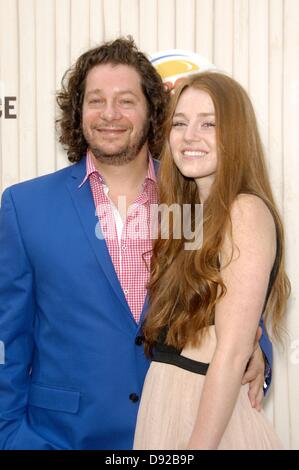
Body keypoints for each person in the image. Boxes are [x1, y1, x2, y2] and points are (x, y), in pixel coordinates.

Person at [0, 38, 270, 450]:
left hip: (180, 430)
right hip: (61, 440)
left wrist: (259, 351)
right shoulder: (25, 206)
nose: (110, 114)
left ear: (152, 113)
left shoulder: (194, 202)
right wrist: (12, 437)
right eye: (95, 100)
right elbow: (9, 338)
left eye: (126, 100)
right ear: (79, 111)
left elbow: (233, 300)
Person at [133, 71, 290, 450]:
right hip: (168, 409)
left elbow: (233, 351)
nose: (189, 137)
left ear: (235, 134)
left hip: (203, 423)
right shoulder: (191, 216)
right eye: (181, 123)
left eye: (209, 124)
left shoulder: (245, 211)